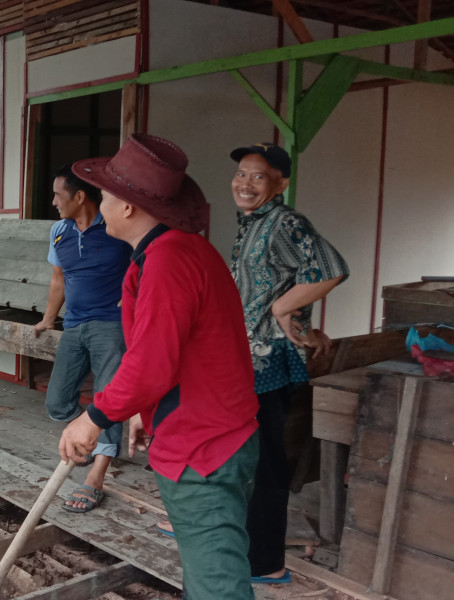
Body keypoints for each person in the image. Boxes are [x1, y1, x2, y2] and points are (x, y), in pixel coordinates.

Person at [57, 135, 259, 599]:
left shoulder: (168, 261)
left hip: (204, 447)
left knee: (217, 586)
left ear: (127, 207)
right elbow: (173, 357)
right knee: (209, 573)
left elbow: (150, 363)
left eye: (105, 194)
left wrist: (95, 417)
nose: (101, 202)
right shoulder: (172, 252)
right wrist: (147, 412)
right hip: (209, 432)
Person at [229, 142, 348, 584]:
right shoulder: (251, 221)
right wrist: (299, 317)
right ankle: (248, 544)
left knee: (266, 464)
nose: (245, 183)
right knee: (249, 458)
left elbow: (332, 268)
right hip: (247, 357)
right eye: (241, 173)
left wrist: (283, 310)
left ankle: (266, 563)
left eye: (257, 176)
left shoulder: (286, 221)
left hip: (269, 361)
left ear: (280, 183)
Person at [33, 166, 131, 513]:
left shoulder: (115, 226)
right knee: (57, 402)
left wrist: (133, 300)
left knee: (108, 398)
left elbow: (145, 264)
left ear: (79, 197)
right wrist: (48, 318)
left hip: (111, 324)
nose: (54, 201)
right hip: (74, 324)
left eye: (59, 194)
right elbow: (58, 279)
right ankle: (99, 435)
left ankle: (96, 477)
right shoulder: (59, 231)